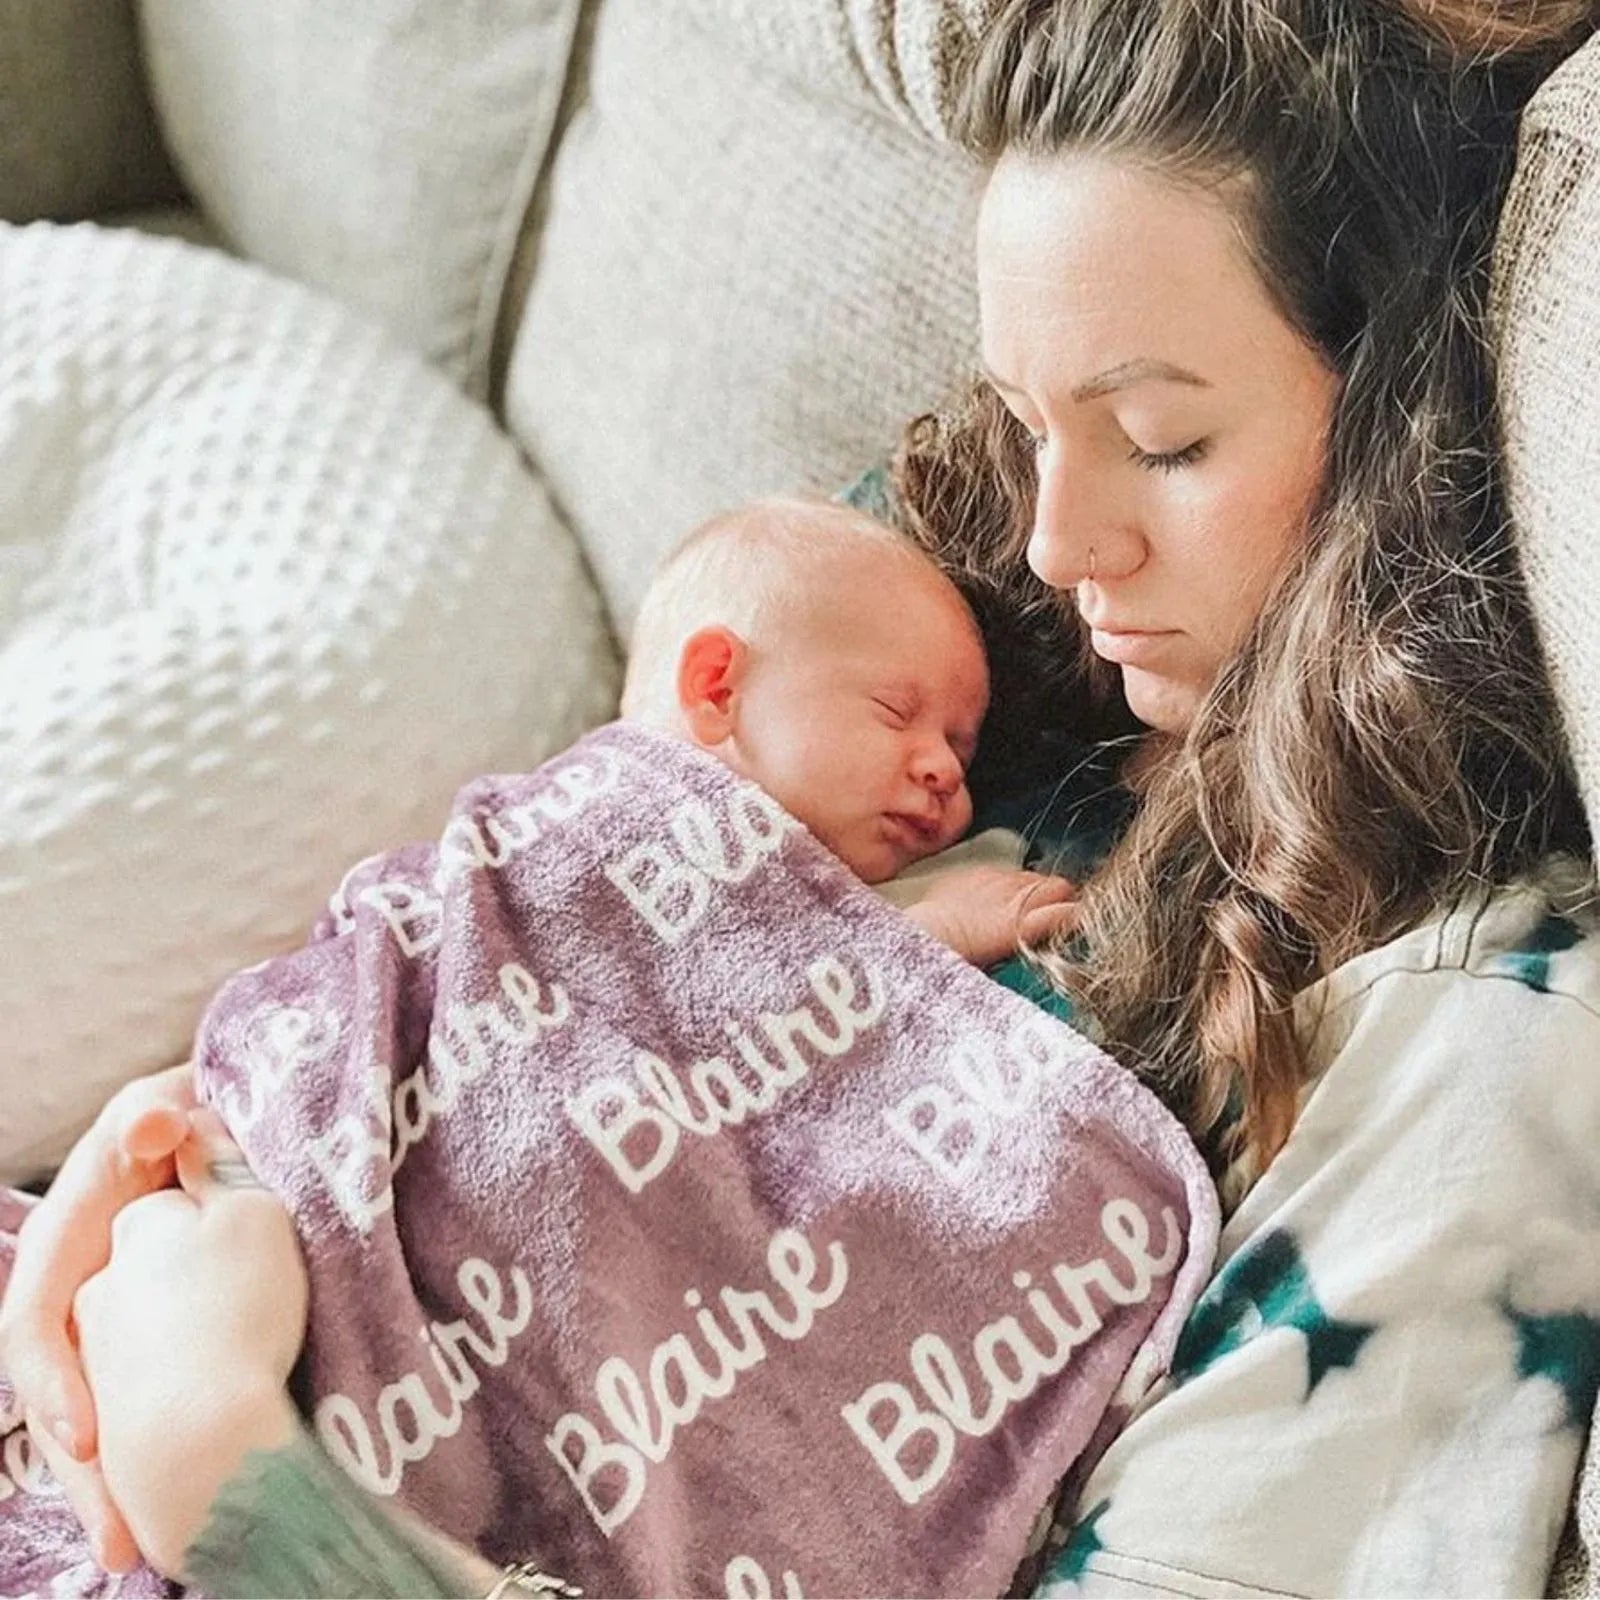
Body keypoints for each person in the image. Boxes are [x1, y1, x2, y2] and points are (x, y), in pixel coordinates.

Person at [5, 0, 1600, 1591]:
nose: (1058, 542)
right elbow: (535, 968)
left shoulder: (1477, 1028)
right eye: (1030, 418)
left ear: (1403, 423)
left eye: (1162, 439)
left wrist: (248, 1486)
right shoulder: (957, 611)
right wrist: (207, 1137)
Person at [3, 492, 1128, 1596]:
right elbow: (680, 965)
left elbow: (766, 1037)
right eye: (897, 713)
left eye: (960, 746)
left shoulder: (828, 904)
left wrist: (911, 935)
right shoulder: (606, 822)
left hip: (423, 1331)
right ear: (716, 686)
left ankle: (320, 1513)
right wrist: (925, 933)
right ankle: (204, 1437)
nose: (943, 769)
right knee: (206, 1264)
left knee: (230, 1308)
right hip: (298, 1159)